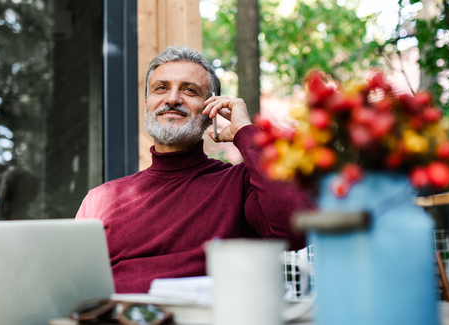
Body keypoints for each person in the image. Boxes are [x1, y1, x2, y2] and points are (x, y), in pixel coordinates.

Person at [75, 45, 308, 293]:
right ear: (148, 104)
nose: (173, 98)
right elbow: (72, 280)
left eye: (189, 90)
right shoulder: (101, 199)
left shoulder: (240, 183)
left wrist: (245, 133)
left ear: (211, 111)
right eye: (161, 88)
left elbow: (294, 229)